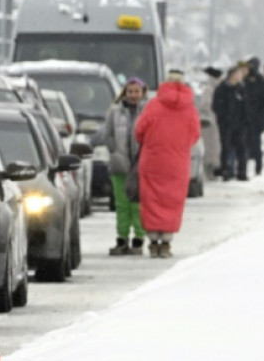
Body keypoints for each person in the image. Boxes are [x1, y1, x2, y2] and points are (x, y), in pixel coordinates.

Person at [135, 69, 200, 259]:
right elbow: (195, 134)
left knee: (152, 197)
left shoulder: (154, 105)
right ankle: (166, 241)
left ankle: (153, 241)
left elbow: (140, 130)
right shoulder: (190, 108)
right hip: (178, 161)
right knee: (173, 199)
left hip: (153, 160)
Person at [99, 77, 148, 256]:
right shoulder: (115, 112)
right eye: (130, 91)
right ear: (124, 93)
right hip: (120, 164)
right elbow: (108, 135)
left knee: (138, 204)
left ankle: (139, 238)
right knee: (122, 204)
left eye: (137, 91)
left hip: (141, 165)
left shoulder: (149, 111)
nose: (133, 95)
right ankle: (122, 237)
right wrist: (115, 152)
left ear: (143, 93)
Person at [212, 67, 247, 181]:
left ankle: (242, 172)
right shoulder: (222, 88)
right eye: (237, 74)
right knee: (226, 147)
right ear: (231, 75)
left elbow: (246, 107)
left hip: (239, 124)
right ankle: (226, 170)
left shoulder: (241, 89)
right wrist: (223, 117)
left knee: (241, 148)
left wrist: (245, 120)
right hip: (226, 124)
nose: (239, 76)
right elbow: (216, 105)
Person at [242, 57, 264, 175]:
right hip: (246, 118)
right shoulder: (245, 80)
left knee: (255, 145)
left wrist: (262, 119)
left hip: (255, 119)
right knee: (244, 144)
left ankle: (258, 167)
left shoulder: (260, 81)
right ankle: (244, 167)